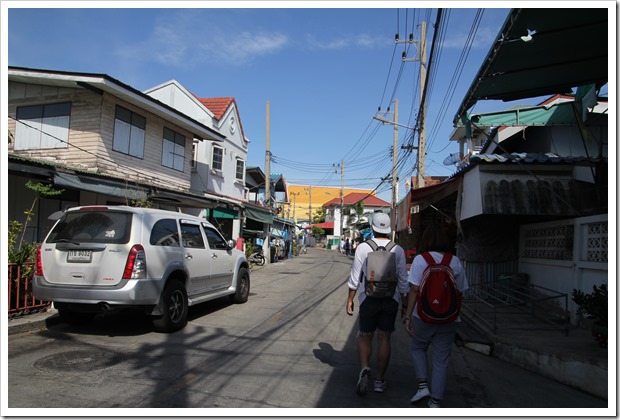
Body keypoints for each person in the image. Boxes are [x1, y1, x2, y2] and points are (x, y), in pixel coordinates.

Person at [404, 224, 469, 408]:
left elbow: (415, 290)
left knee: (418, 347)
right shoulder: (454, 261)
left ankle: (423, 386)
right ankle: (435, 401)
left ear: (425, 240)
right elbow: (461, 292)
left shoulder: (420, 260)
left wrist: (408, 316)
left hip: (422, 316)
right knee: (441, 359)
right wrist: (453, 312)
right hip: (449, 318)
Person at [346, 212, 409, 395]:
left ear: (372, 227)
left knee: (365, 335)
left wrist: (350, 300)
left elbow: (355, 278)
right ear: (389, 229)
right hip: (391, 299)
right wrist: (405, 304)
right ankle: (380, 381)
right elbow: (403, 280)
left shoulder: (363, 248)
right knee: (384, 338)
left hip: (368, 298)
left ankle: (365, 367)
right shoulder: (398, 249)